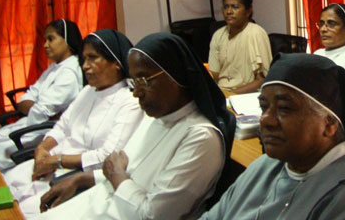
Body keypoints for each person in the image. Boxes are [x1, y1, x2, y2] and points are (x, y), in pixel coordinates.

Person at [36, 32, 235, 220]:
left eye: (143, 80)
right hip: (99, 204)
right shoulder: (155, 116)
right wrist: (81, 179)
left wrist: (117, 177)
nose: (135, 92)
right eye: (134, 81)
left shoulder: (201, 139)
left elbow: (150, 215)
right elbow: (126, 170)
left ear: (176, 77)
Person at [200, 53, 345, 220]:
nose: (266, 119)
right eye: (264, 106)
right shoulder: (266, 166)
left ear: (330, 124)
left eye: (284, 108)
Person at [3, 29, 142, 216]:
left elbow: (106, 156)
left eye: (93, 58)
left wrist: (57, 161)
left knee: (18, 212)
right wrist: (42, 150)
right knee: (4, 184)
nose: (85, 66)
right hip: (51, 164)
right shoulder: (88, 92)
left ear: (116, 63)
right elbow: (62, 126)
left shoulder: (129, 102)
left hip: (75, 176)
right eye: (84, 59)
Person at [0, 19, 83, 171]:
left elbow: (39, 113)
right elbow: (26, 99)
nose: (45, 45)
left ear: (67, 40)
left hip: (41, 132)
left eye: (51, 39)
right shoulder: (55, 67)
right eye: (45, 40)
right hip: (30, 124)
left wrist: (38, 109)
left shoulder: (69, 73)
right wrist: (39, 108)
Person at [208, 0, 272, 94]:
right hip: (222, 92)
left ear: (248, 11)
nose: (229, 11)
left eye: (235, 7)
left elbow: (262, 79)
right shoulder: (218, 35)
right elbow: (215, 74)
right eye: (226, 7)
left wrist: (231, 94)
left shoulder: (256, 33)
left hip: (248, 95)